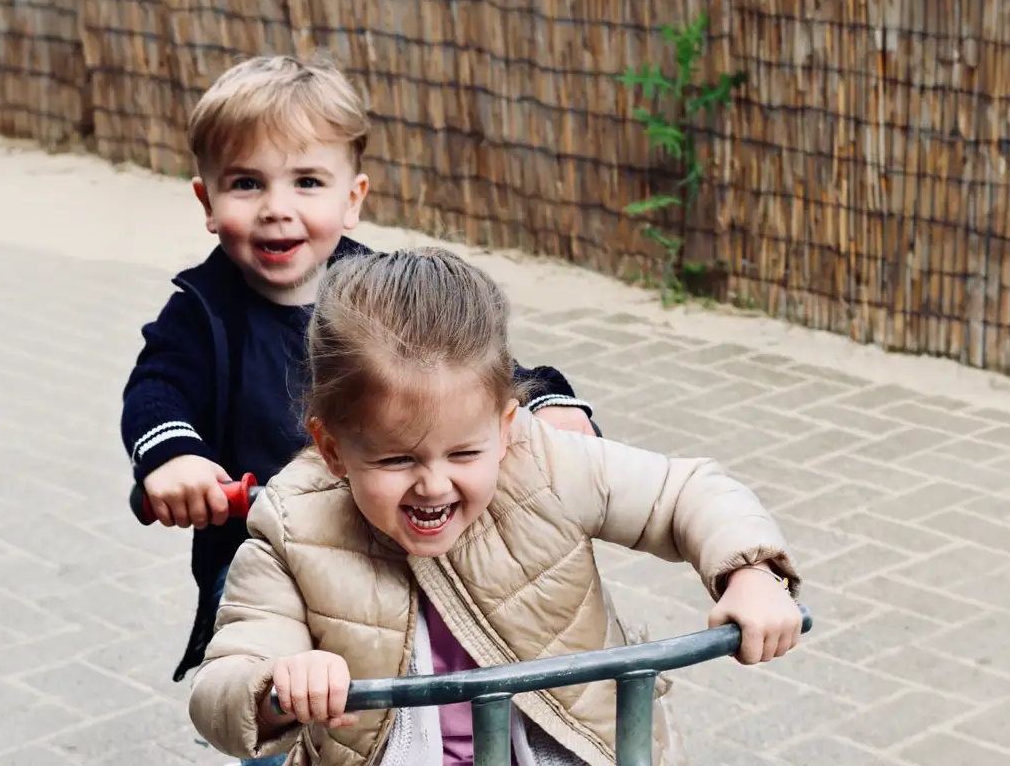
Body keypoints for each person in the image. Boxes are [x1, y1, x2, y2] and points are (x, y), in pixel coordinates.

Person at [187, 248, 804, 766]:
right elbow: (223, 682)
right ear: (333, 449)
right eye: (397, 461)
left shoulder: (543, 464)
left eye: (463, 452)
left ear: (505, 427)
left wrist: (748, 571)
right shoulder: (294, 524)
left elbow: (684, 492)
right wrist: (279, 685)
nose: (433, 484)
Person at [118, 54, 596, 718]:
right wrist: (175, 459)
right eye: (246, 183)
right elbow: (156, 391)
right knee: (277, 694)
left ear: (353, 197)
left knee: (447, 676)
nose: (276, 210)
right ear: (206, 199)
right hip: (269, 552)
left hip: (397, 532)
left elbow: (465, 364)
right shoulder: (201, 312)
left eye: (307, 182)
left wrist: (545, 400)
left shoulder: (383, 291)